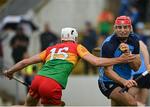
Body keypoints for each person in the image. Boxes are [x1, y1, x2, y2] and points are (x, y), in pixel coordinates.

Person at [4, 27, 136, 106]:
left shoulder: (50, 49)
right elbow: (96, 62)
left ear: (62, 39)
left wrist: (10, 71)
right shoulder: (77, 47)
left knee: (28, 106)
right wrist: (119, 59)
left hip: (37, 80)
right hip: (52, 84)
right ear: (75, 38)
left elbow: (24, 62)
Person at [98, 16, 143, 106]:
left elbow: (136, 68)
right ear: (115, 28)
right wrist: (124, 81)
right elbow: (108, 71)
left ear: (130, 28)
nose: (122, 30)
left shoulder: (134, 40)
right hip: (108, 82)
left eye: (125, 27)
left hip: (124, 81)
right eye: (119, 27)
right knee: (132, 103)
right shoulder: (109, 44)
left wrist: (128, 54)